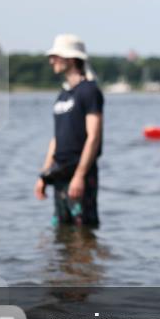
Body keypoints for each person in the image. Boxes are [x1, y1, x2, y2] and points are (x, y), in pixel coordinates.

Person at [34, 34, 104, 229]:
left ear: (71, 59)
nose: (51, 61)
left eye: (56, 56)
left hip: (80, 171)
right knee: (61, 231)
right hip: (59, 173)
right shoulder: (63, 95)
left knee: (83, 232)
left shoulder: (89, 91)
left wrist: (79, 176)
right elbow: (56, 139)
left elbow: (94, 137)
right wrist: (44, 175)